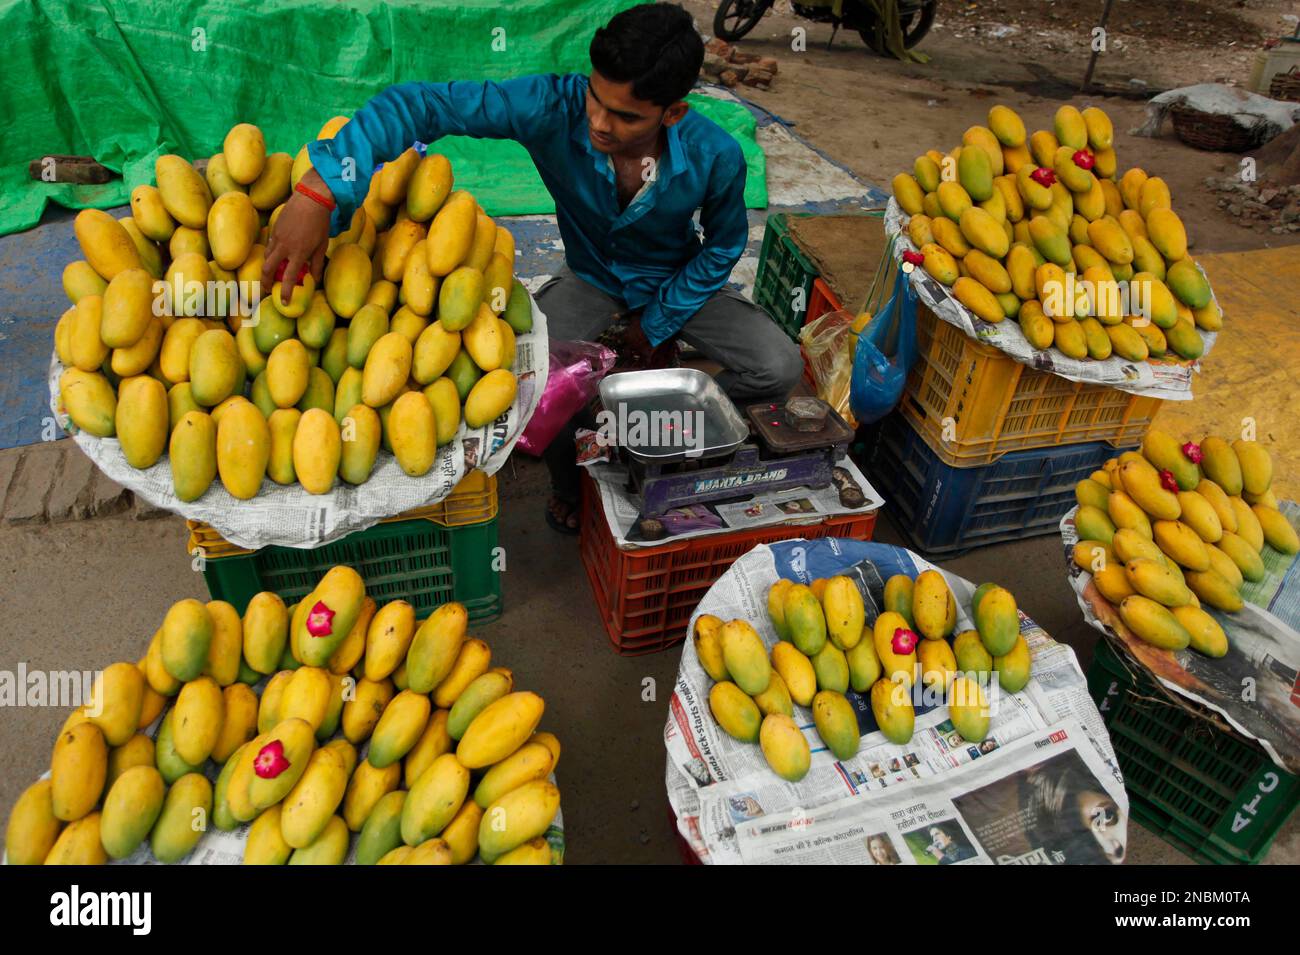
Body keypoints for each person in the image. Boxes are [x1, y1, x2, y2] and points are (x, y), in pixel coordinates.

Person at [264, 2, 803, 533]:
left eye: (625, 116)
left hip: (679, 281)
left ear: (673, 113)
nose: (599, 123)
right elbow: (421, 104)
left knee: (779, 366)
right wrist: (319, 192)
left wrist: (659, 320)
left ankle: (656, 429)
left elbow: (723, 245)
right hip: (592, 276)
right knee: (535, 386)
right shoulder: (551, 106)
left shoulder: (717, 154)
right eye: (596, 99)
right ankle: (570, 483)